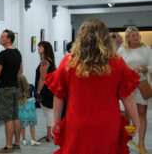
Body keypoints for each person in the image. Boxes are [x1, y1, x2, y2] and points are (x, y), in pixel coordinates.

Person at [45, 19, 140, 154]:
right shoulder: (117, 62)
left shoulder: (69, 62)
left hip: (77, 123)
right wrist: (136, 122)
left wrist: (55, 121)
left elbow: (58, 96)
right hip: (108, 123)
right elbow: (128, 98)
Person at [0, 29, 23, 154]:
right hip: (15, 88)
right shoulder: (18, 53)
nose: (0, 39)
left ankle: (8, 147)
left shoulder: (3, 54)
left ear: (8, 39)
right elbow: (20, 72)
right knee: (15, 116)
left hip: (5, 89)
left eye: (2, 37)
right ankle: (17, 144)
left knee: (8, 119)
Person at [118, 26, 152, 153]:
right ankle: (125, 142)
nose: (136, 37)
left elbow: (151, 66)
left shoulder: (146, 49)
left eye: (137, 35)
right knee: (127, 114)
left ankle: (141, 143)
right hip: (127, 84)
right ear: (128, 38)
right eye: (133, 35)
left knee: (142, 112)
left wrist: (142, 69)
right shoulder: (122, 50)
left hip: (142, 83)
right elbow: (118, 66)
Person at [35, 41, 56, 142]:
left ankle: (50, 135)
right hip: (49, 90)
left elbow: (42, 78)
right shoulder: (49, 60)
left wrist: (37, 92)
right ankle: (49, 134)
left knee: (48, 113)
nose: (38, 48)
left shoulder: (44, 61)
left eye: (40, 47)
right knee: (49, 113)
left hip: (45, 90)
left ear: (45, 49)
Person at [17, 75, 41, 146]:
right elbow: (37, 95)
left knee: (22, 124)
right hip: (30, 106)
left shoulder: (17, 88)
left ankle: (24, 140)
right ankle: (33, 140)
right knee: (32, 124)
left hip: (21, 105)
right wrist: (40, 98)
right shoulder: (30, 86)